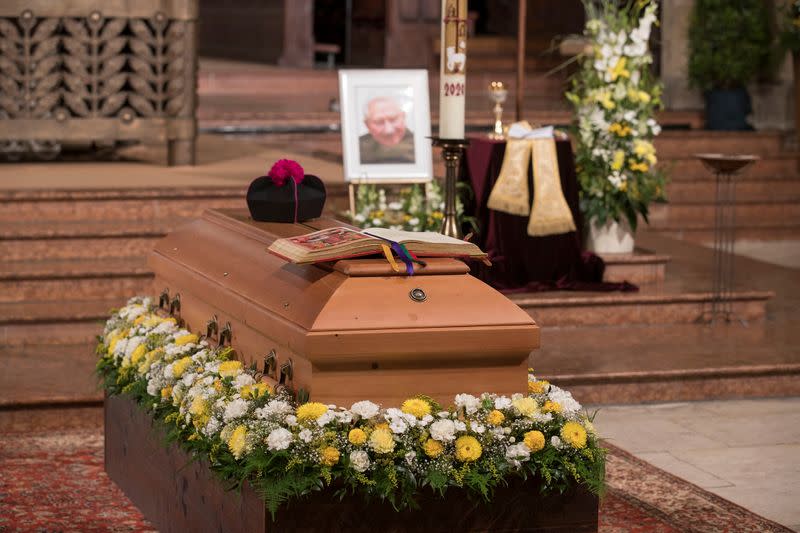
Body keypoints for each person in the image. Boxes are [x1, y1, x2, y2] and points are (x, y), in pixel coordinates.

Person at [359, 96, 416, 164]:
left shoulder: (421, 144)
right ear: (367, 124)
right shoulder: (357, 148)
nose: (388, 130)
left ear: (403, 116)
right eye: (379, 122)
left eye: (393, 119)